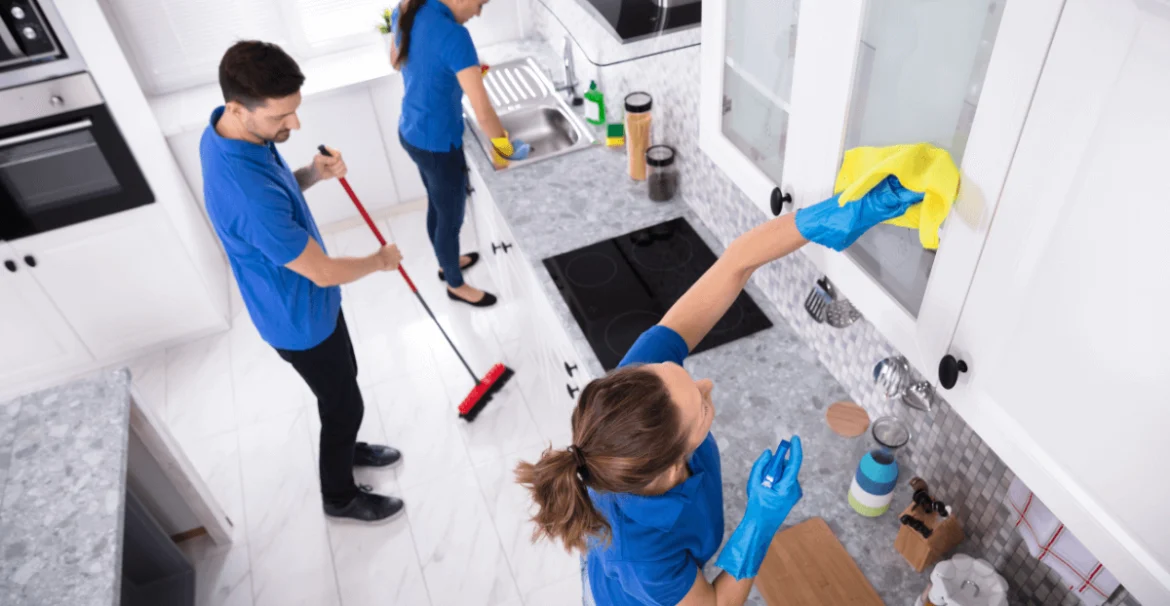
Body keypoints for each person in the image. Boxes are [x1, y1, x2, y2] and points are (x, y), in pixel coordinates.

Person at [516, 184, 921, 604]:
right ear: (675, 461)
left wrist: (827, 218)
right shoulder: (644, 553)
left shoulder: (637, 390)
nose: (705, 384)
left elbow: (736, 264)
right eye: (701, 404)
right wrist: (760, 521)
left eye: (680, 374)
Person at [200, 41, 408, 524]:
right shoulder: (246, 193)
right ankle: (339, 497)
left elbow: (279, 193)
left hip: (307, 304)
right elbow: (322, 270)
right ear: (238, 107)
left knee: (342, 387)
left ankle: (348, 444)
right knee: (343, 404)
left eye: (294, 112)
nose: (294, 126)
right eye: (282, 117)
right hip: (298, 319)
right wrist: (379, 260)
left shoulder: (228, 133)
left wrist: (312, 172)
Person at [389, 0, 531, 308]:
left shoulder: (407, 8)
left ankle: (445, 262)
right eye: (480, 4)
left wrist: (446, 73)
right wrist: (504, 151)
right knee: (450, 219)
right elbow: (483, 110)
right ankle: (455, 284)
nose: (479, 13)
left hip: (411, 130)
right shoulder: (454, 36)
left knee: (437, 206)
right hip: (439, 144)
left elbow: (396, 61)